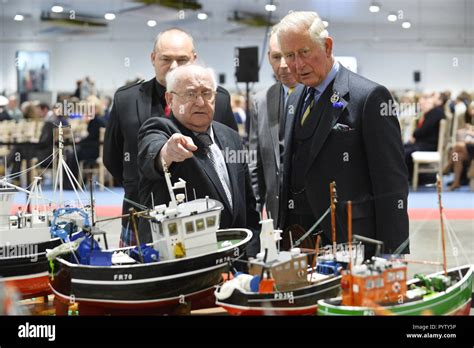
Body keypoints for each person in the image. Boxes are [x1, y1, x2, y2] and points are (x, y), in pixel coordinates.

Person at [275, 11, 409, 256]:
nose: (297, 65)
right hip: (297, 240)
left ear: (327, 46)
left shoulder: (369, 97)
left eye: (304, 52)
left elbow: (391, 182)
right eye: (289, 56)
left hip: (351, 238)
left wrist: (393, 251)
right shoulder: (295, 98)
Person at [104, 28, 238, 246]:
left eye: (182, 59)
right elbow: (112, 158)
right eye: (166, 59)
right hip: (140, 213)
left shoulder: (218, 99)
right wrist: (143, 183)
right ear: (153, 58)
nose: (174, 66)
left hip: (205, 217)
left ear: (194, 59)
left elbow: (230, 155)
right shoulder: (125, 99)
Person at [137, 64, 260, 255]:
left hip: (236, 262)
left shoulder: (231, 137)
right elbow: (151, 152)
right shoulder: (160, 129)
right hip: (185, 262)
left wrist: (252, 256)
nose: (201, 102)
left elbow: (249, 208)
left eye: (206, 93)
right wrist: (167, 152)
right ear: (170, 99)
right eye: (190, 94)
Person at [248, 28, 303, 227]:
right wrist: (253, 218)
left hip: (317, 213)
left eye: (288, 56)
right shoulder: (261, 101)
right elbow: (255, 164)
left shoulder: (320, 96)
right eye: (275, 57)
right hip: (276, 216)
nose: (283, 65)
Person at [404, 91, 445, 178]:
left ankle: (411, 177)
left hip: (430, 145)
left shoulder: (435, 112)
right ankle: (410, 176)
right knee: (402, 147)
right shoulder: (435, 112)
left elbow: (421, 132)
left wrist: (415, 134)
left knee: (404, 151)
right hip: (427, 143)